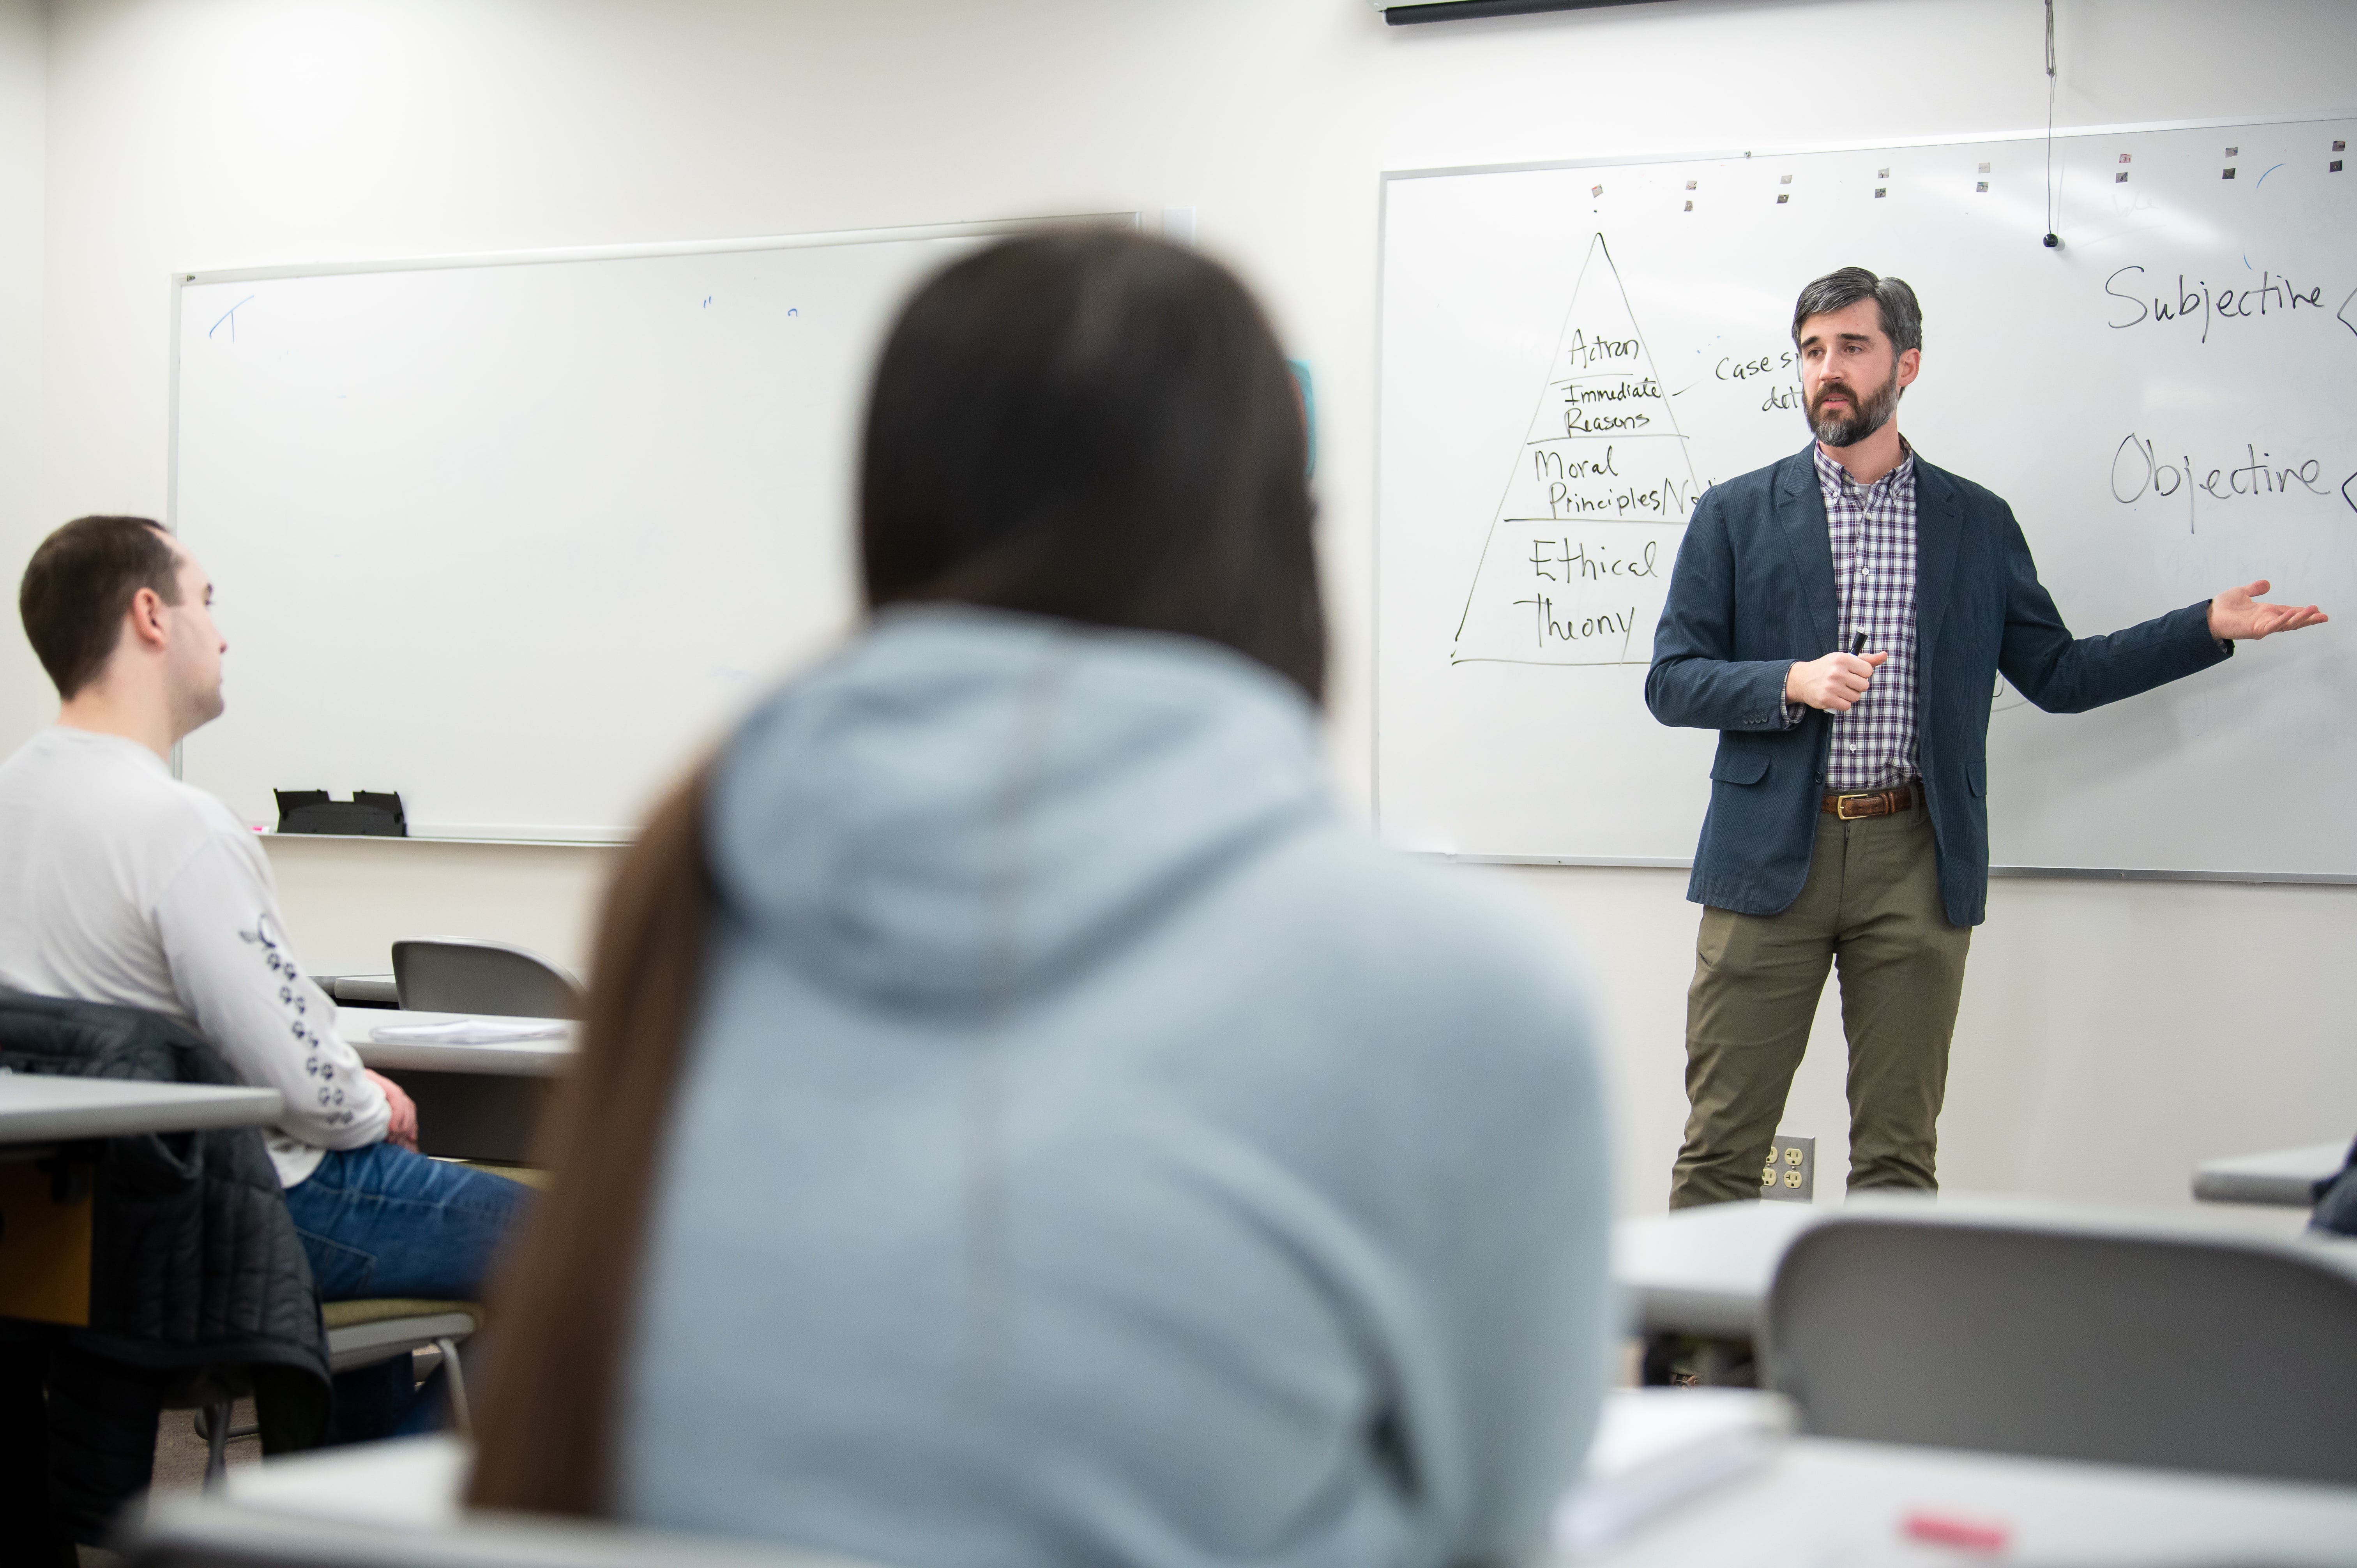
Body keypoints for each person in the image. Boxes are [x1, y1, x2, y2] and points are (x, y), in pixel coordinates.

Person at [470, 230, 1612, 1568]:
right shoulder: (1449, 980)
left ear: (887, 521)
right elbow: (1500, 1520)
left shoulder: (702, 875)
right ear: (1279, 535)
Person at [1646, 266, 2328, 1210]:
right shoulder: (1735, 512)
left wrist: (2202, 627)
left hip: (1916, 857)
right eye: (1811, 351)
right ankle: (1690, 1319)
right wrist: (1790, 682)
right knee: (1723, 1149)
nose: (1827, 370)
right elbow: (1672, 679)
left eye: (1852, 347)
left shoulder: (1975, 521)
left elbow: (2061, 674)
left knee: (1898, 1160)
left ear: (1907, 364)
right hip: (1765, 860)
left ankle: (1880, 1317)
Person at [0, 515, 530, 1436]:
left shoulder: (16, 801)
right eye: (206, 601)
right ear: (150, 615)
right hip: (248, 1205)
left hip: (82, 1232)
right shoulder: (178, 826)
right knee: (596, 1247)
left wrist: (343, 1083)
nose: (223, 633)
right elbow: (314, 1097)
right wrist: (366, 1099)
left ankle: (346, 1483)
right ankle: (386, 1494)